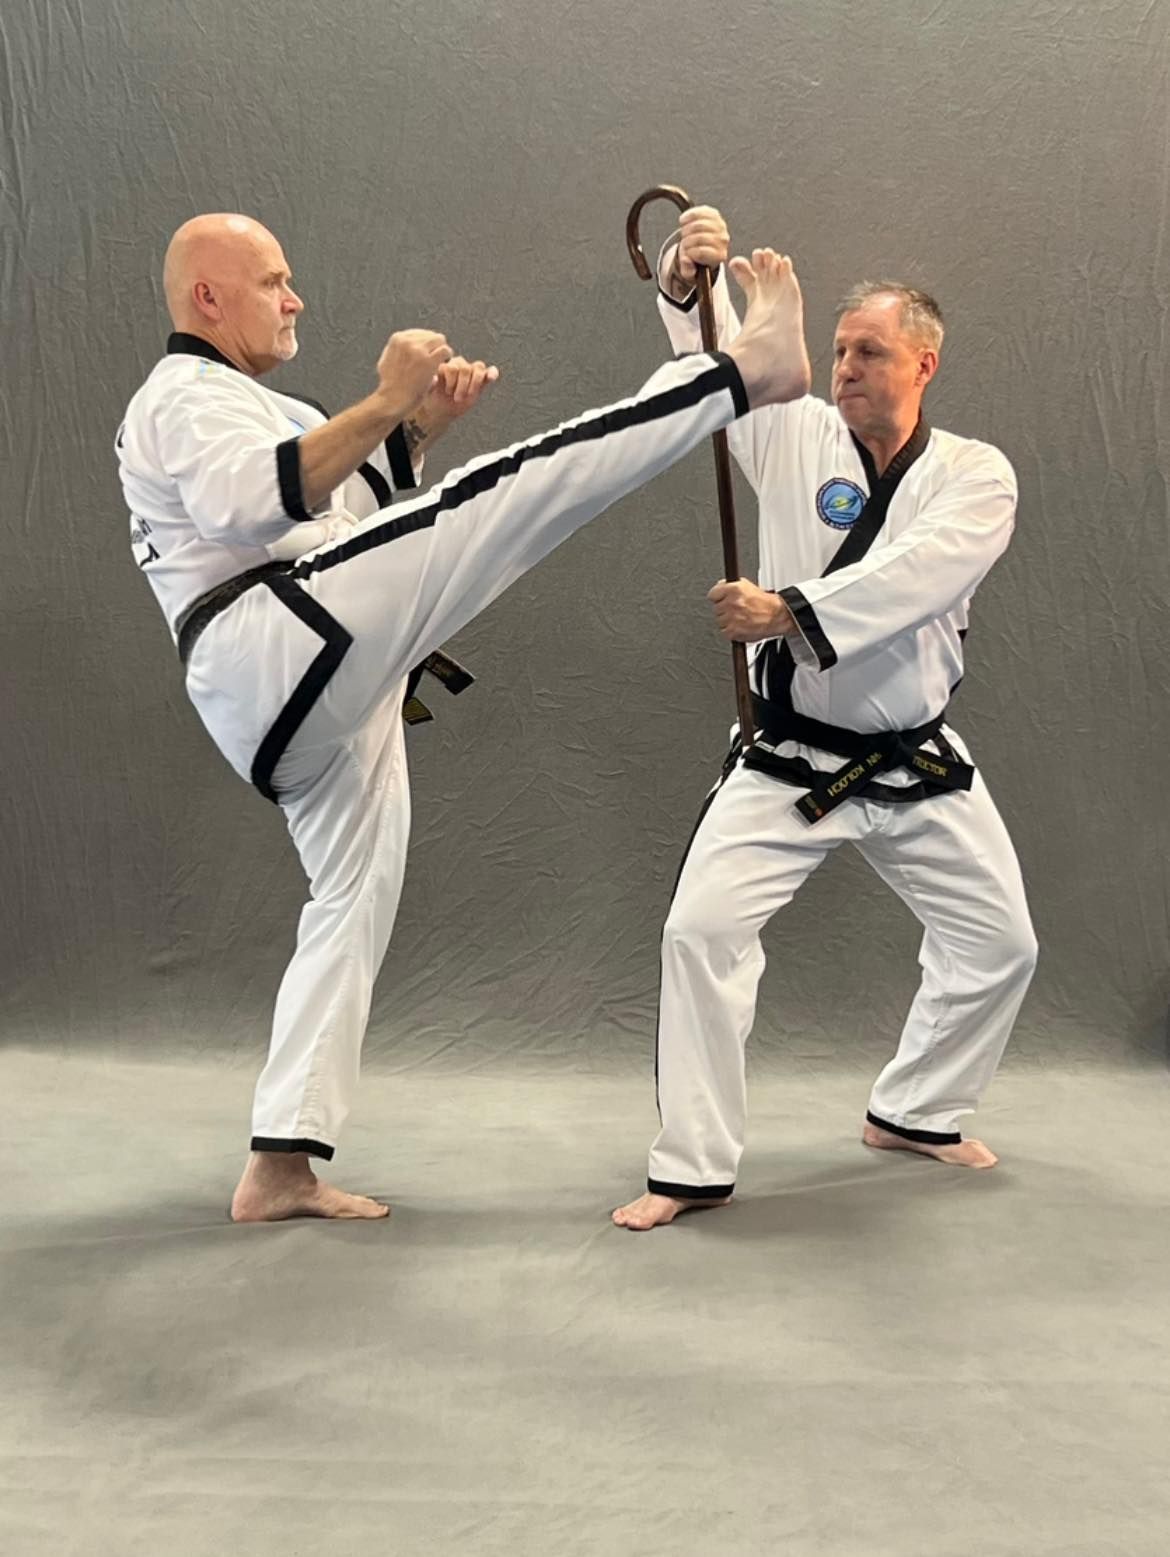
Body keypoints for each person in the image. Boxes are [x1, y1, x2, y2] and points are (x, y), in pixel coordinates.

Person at [116, 212, 812, 1222]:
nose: (295, 296)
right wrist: (385, 398)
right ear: (207, 298)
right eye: (273, 280)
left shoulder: (233, 402)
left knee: (353, 896)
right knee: (515, 491)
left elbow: (338, 511)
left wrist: (413, 430)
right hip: (275, 641)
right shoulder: (182, 394)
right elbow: (249, 509)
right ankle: (744, 373)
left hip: (292, 671)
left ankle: (280, 1163)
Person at [613, 205, 1038, 1232]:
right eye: (839, 349)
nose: (846, 366)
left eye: (871, 351)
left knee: (1000, 944)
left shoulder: (975, 476)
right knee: (701, 933)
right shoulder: (795, 434)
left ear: (925, 364)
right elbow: (723, 374)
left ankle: (917, 1110)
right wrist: (686, 288)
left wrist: (790, 609)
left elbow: (923, 575)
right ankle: (692, 1165)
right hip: (791, 762)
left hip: (913, 762)